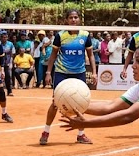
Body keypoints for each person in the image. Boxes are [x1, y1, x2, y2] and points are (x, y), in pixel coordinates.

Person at [40, 10, 97, 145]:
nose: (73, 20)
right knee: (55, 103)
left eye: (76, 17)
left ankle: (81, 135)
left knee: (81, 104)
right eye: (71, 18)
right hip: (62, 72)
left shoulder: (85, 35)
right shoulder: (61, 35)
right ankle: (45, 132)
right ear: (66, 20)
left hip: (79, 72)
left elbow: (91, 55)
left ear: (79, 20)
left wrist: (94, 72)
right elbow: (53, 55)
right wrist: (48, 72)